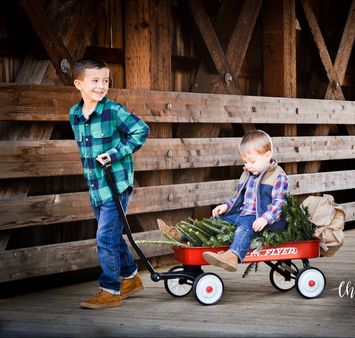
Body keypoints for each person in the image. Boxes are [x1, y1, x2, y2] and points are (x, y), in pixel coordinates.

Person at [69, 59, 150, 309]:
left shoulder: (113, 111)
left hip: (115, 186)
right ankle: (130, 278)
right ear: (78, 84)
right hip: (95, 186)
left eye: (105, 80)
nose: (101, 86)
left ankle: (110, 290)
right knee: (113, 235)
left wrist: (115, 153)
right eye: (95, 81)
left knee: (105, 238)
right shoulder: (74, 114)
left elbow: (141, 131)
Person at [159, 130, 288, 272]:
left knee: (243, 230)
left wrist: (265, 218)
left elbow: (280, 203)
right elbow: (240, 197)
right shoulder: (248, 174)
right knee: (216, 222)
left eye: (252, 161)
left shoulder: (277, 176)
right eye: (245, 162)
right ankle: (180, 234)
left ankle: (232, 256)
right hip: (243, 214)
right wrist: (226, 206)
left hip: (262, 219)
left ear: (267, 155)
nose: (248, 165)